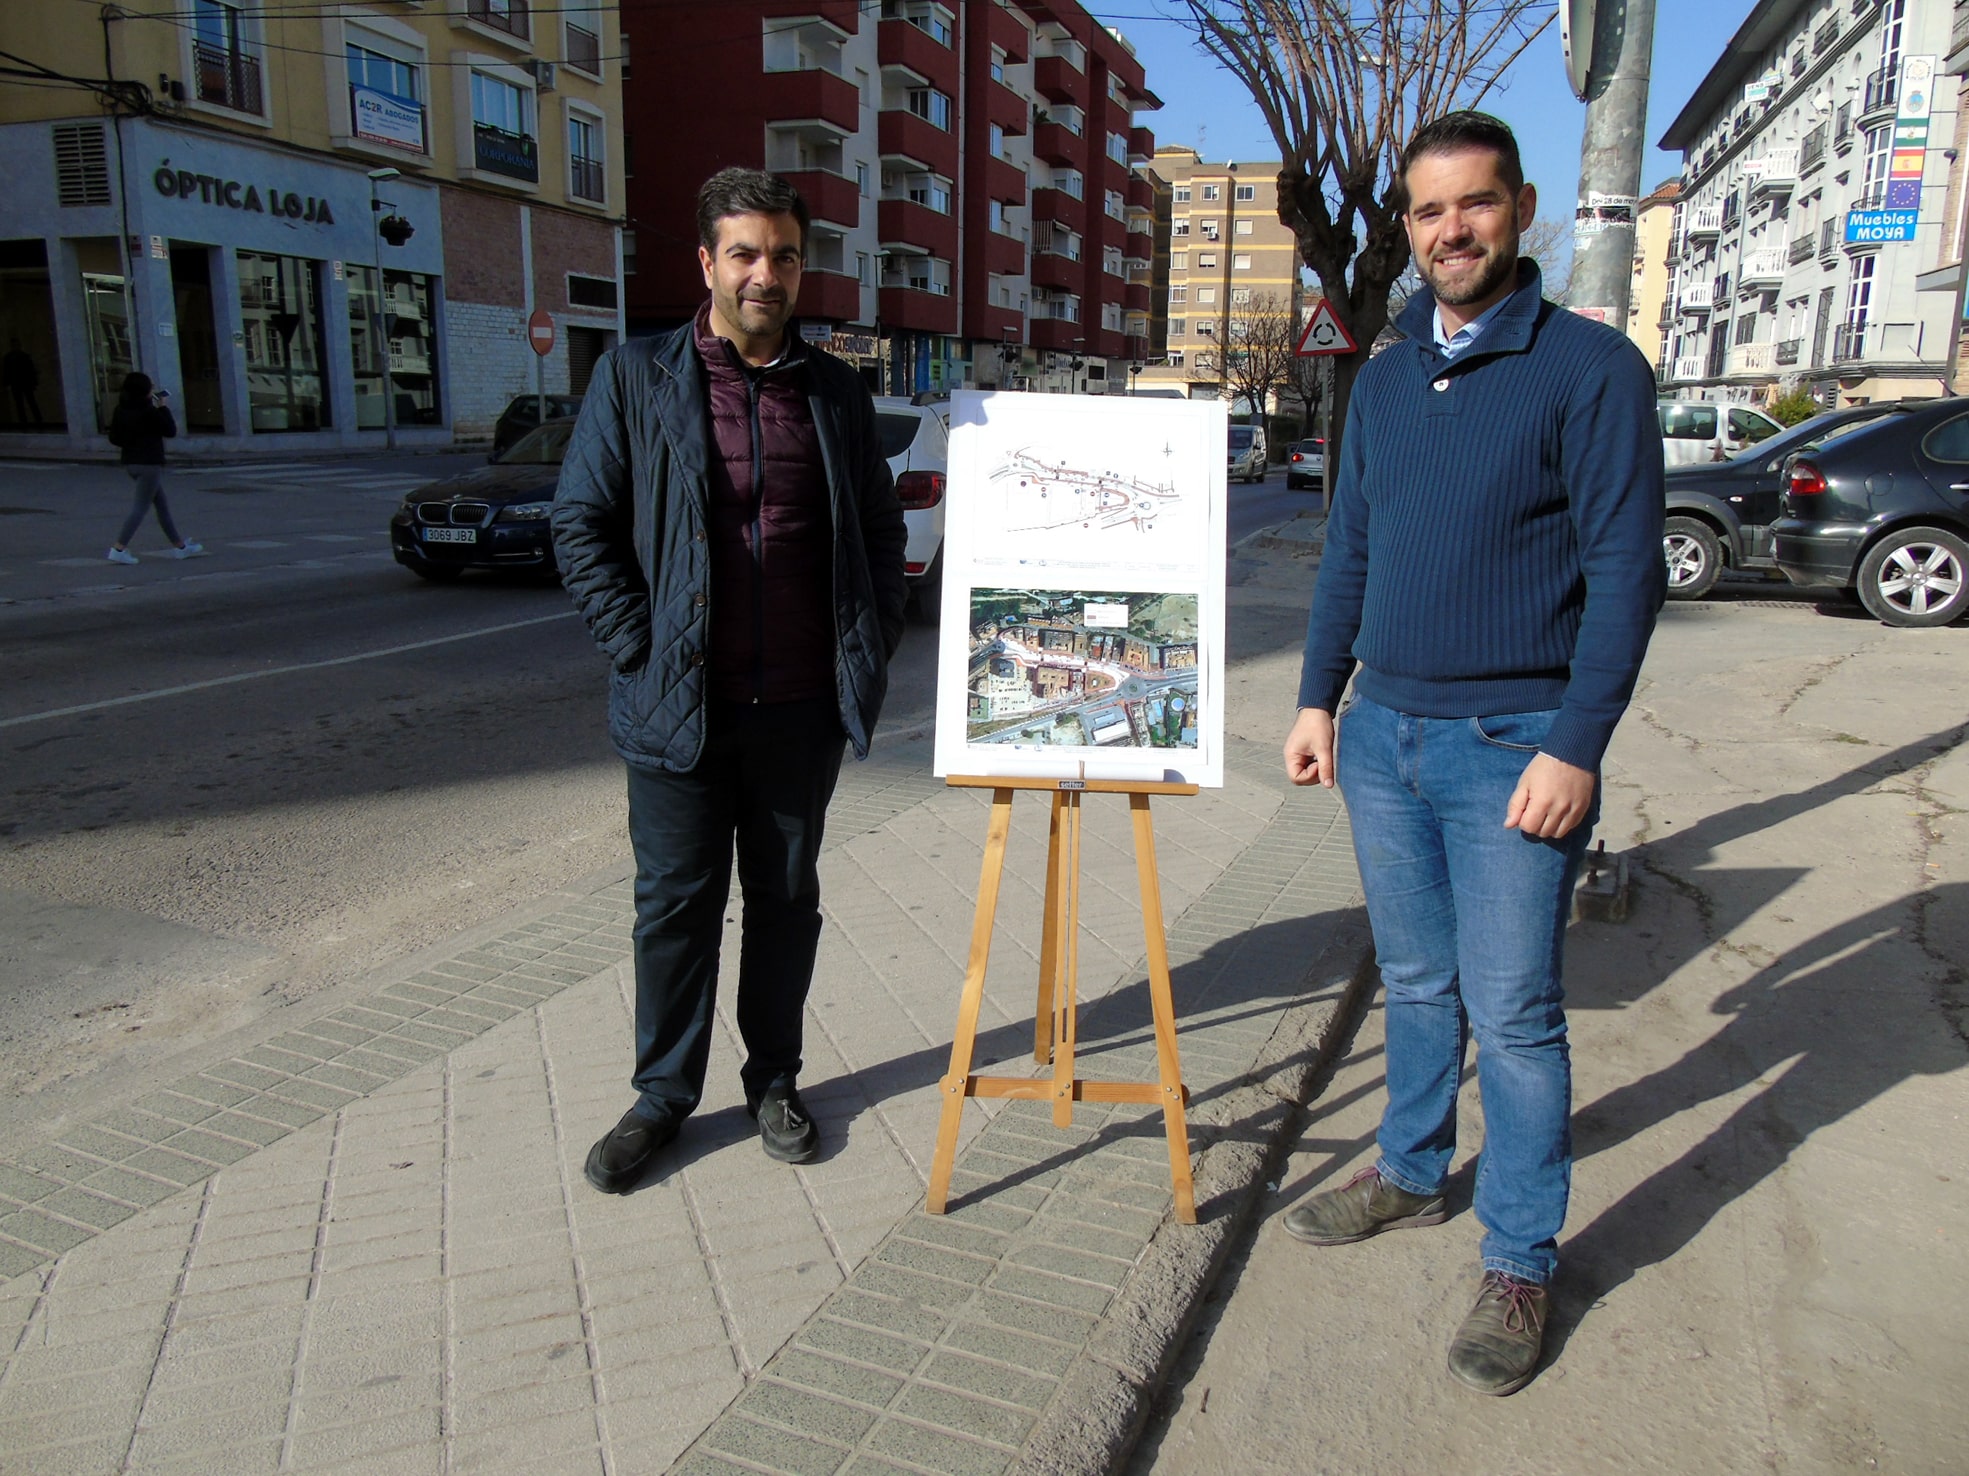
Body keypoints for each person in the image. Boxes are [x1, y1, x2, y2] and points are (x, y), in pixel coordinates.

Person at [1280, 112, 1665, 1396]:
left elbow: (1623, 577)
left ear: (1521, 209)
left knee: (1513, 1015)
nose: (1453, 230)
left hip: (1515, 748)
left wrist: (1578, 744)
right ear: (1407, 224)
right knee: (1416, 983)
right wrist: (1316, 700)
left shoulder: (1591, 370)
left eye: (1477, 205)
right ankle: (1406, 1172)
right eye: (1430, 211)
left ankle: (1519, 1259)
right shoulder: (1383, 376)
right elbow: (1350, 552)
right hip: (1382, 735)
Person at [552, 168, 907, 1193]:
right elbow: (580, 523)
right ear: (705, 263)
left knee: (785, 902)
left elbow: (881, 533)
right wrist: (636, 644)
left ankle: (774, 1080)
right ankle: (662, 1097)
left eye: (785, 255)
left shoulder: (835, 390)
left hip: (799, 710)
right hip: (679, 709)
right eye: (745, 253)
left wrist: (870, 639)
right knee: (675, 907)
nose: (766, 273)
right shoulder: (636, 375)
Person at [106, 372, 202, 564]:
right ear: (145, 391)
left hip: (131, 462)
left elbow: (114, 438)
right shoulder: (148, 411)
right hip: (149, 464)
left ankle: (180, 547)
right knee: (140, 508)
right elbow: (170, 431)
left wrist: (131, 441)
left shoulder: (120, 409)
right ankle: (118, 548)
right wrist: (162, 407)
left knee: (161, 505)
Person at [3, 339, 43, 428]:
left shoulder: (12, 357)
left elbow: (30, 370)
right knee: (25, 403)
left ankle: (28, 423)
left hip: (21, 384)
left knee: (24, 403)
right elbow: (7, 372)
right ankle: (34, 422)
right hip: (21, 384)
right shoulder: (22, 356)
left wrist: (7, 384)